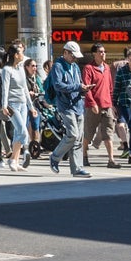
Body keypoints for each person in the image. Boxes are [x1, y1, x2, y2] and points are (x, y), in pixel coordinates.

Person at [46, 40, 90, 177]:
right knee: (73, 134)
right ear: (65, 52)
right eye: (73, 55)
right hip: (65, 106)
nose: (75, 58)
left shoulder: (75, 67)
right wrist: (78, 87)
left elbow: (79, 83)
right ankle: (55, 157)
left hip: (78, 105)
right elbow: (58, 85)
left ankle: (77, 169)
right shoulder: (58, 66)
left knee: (78, 138)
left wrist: (84, 89)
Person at [82, 45, 119, 169]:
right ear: (94, 54)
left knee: (108, 133)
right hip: (94, 106)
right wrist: (92, 104)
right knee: (89, 133)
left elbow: (110, 88)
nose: (103, 54)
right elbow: (86, 88)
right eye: (100, 52)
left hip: (107, 105)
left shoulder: (107, 68)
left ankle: (111, 160)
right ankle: (84, 155)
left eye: (104, 51)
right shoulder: (88, 68)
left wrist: (112, 104)